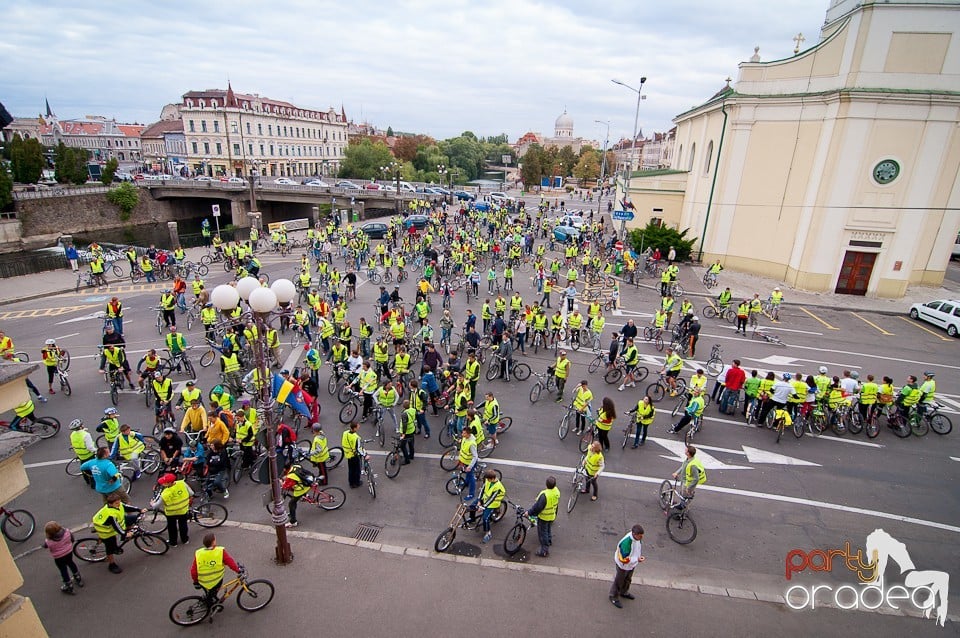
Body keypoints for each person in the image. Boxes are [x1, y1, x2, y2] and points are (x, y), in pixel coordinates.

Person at [91, 492, 143, 574]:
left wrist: (139, 510)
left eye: (119, 502)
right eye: (116, 503)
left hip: (116, 522)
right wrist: (125, 534)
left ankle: (125, 534)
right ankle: (111, 564)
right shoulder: (111, 514)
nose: (119, 504)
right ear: (110, 504)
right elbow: (116, 527)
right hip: (106, 532)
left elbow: (126, 507)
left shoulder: (118, 504)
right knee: (110, 548)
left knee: (134, 518)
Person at [190, 533, 242, 605]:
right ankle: (209, 603)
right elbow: (230, 562)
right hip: (216, 580)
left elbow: (193, 570)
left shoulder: (199, 553)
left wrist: (195, 581)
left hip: (203, 581)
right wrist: (238, 570)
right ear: (213, 543)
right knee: (213, 592)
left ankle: (209, 597)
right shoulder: (220, 552)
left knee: (210, 592)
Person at [150, 473, 193, 546]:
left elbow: (156, 506)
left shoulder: (165, 493)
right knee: (183, 525)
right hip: (183, 510)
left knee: (172, 528)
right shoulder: (182, 483)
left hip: (171, 513)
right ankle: (185, 540)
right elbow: (191, 493)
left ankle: (173, 543)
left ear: (169, 483)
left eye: (164, 483)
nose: (163, 484)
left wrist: (152, 503)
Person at [609, 524, 645, 608]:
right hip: (623, 566)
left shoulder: (637, 539)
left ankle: (623, 592)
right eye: (640, 536)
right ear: (634, 534)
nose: (641, 538)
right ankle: (613, 596)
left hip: (631, 565)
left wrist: (637, 558)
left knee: (627, 579)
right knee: (619, 581)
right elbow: (624, 559)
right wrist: (637, 559)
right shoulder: (626, 543)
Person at [524, 476, 560, 558]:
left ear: (546, 485)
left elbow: (538, 507)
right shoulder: (556, 491)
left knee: (542, 533)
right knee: (548, 528)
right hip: (552, 515)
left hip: (544, 517)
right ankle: (549, 540)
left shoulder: (544, 495)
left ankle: (544, 551)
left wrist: (529, 513)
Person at [44, 521, 83, 594]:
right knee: (71, 563)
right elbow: (72, 539)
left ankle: (69, 585)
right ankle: (78, 578)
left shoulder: (49, 541)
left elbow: (45, 546)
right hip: (68, 552)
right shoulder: (67, 532)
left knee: (63, 570)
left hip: (58, 557)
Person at [473, 469, 506, 544]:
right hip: (485, 499)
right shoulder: (488, 480)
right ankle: (472, 519)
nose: (486, 480)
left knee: (485, 518)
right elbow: (483, 490)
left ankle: (488, 533)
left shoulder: (498, 487)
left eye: (488, 479)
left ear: (492, 478)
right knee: (472, 506)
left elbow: (492, 499)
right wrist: (479, 500)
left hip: (493, 503)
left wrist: (483, 507)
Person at [282, 463, 314, 527]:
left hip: (303, 488)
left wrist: (281, 482)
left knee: (292, 503)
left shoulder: (291, 476)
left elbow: (285, 486)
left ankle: (293, 522)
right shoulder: (295, 466)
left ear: (285, 469)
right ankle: (305, 496)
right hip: (307, 481)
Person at [68, 419, 97, 488]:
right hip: (88, 455)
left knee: (84, 468)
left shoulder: (72, 434)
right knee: (92, 470)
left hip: (80, 455)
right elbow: (90, 447)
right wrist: (96, 451)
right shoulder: (86, 435)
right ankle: (93, 485)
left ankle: (87, 481)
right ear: (81, 426)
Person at [342, 421, 362, 488]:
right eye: (358, 426)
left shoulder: (345, 433)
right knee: (357, 469)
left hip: (348, 454)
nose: (359, 426)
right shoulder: (356, 437)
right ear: (355, 428)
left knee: (351, 469)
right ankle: (357, 482)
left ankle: (351, 482)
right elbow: (358, 449)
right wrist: (365, 455)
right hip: (354, 455)